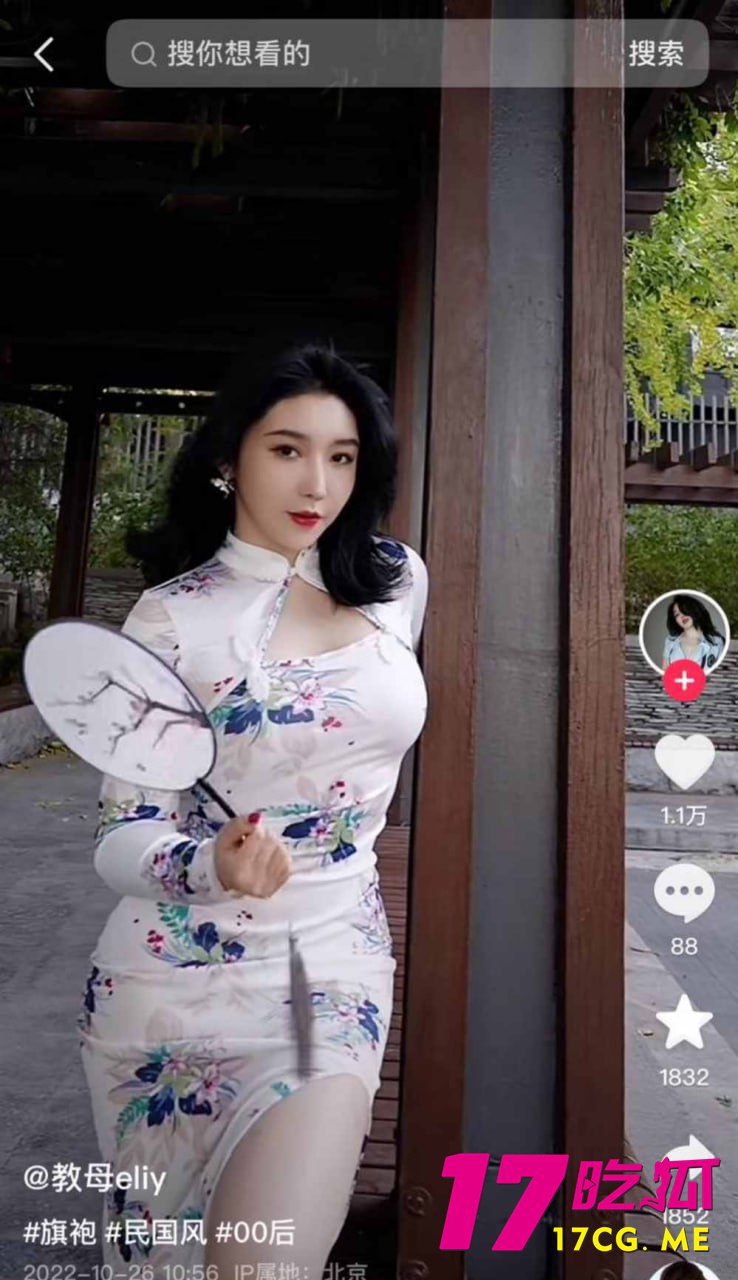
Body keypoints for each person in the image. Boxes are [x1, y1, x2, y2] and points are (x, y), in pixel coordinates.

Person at [77, 342, 429, 1278]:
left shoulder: (396, 581)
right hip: (169, 991)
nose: (318, 483)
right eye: (287, 450)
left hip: (333, 968)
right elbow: (118, 834)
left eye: (342, 456)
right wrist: (209, 864)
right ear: (230, 457)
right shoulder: (169, 618)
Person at [661, 594, 725, 672]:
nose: (681, 616)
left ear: (694, 609)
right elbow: (665, 672)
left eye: (684, 610)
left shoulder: (716, 643)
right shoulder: (670, 642)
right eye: (677, 614)